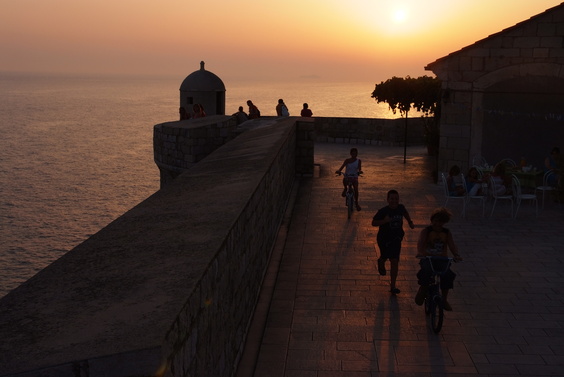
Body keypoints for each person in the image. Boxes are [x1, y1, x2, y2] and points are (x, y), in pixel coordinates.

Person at [415, 208, 462, 311]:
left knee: (448, 275)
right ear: (432, 220)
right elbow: (421, 242)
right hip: (428, 258)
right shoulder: (426, 231)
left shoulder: (446, 232)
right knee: (426, 272)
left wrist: (456, 254)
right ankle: (423, 289)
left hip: (442, 259)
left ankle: (444, 299)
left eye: (440, 221)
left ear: (444, 222)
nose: (437, 223)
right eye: (436, 220)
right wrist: (420, 252)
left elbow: (452, 245)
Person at [372, 190, 415, 295]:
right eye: (392, 198)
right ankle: (381, 261)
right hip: (384, 239)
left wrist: (410, 222)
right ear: (388, 200)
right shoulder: (383, 211)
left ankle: (393, 286)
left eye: (396, 198)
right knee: (385, 256)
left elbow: (405, 213)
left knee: (394, 261)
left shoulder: (401, 208)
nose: (394, 201)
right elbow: (374, 222)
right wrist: (385, 221)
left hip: (396, 239)